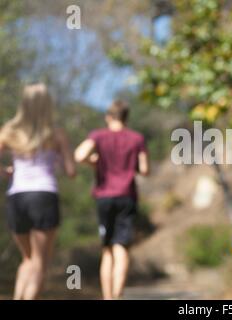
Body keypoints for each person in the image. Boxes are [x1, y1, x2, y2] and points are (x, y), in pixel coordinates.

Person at [0, 83, 76, 300]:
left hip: (17, 197)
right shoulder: (56, 133)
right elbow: (71, 171)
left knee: (27, 259)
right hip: (44, 195)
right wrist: (60, 161)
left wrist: (6, 171)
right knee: (40, 263)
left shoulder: (9, 131)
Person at [74, 100, 149, 300]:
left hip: (104, 197)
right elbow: (144, 170)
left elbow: (79, 155)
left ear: (108, 116)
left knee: (107, 249)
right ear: (126, 117)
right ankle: (118, 295)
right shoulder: (136, 138)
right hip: (127, 196)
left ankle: (108, 297)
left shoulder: (98, 136)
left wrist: (95, 163)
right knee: (121, 247)